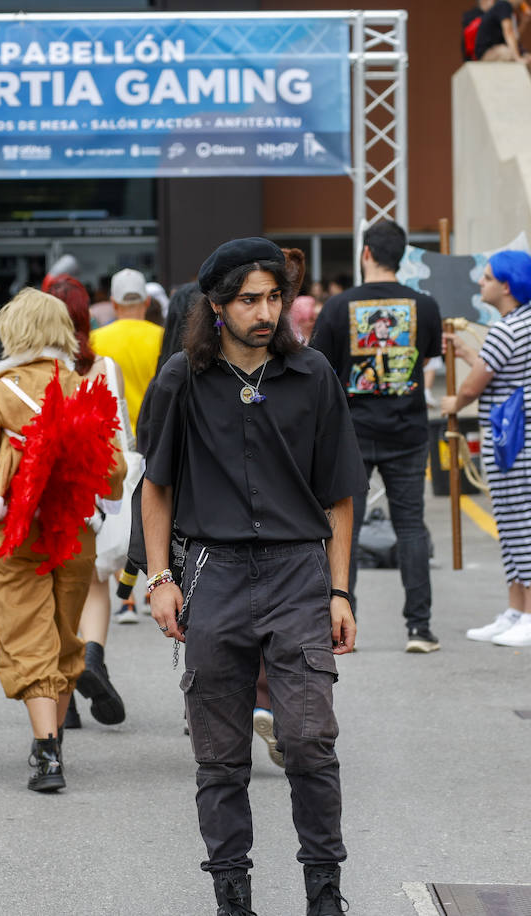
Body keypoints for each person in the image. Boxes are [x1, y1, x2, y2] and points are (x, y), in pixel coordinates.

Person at [140, 238, 362, 916]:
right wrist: (159, 578)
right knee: (220, 752)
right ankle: (231, 893)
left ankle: (324, 890)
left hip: (299, 571)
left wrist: (340, 589)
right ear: (217, 306)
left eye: (274, 298)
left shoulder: (314, 374)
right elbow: (156, 487)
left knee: (308, 736)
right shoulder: (183, 378)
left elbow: (341, 491)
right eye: (249, 300)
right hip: (214, 573)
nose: (265, 312)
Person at [0, 288, 125, 792]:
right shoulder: (82, 386)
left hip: (18, 528)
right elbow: (115, 467)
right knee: (62, 633)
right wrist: (107, 511)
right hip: (76, 529)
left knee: (26, 631)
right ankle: (53, 739)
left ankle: (46, 750)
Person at [312, 220, 443, 653]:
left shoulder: (337, 307)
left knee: (344, 527)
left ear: (365, 253)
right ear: (401, 256)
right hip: (408, 430)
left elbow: (321, 370)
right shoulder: (425, 305)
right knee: (410, 527)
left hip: (352, 432)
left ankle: (342, 622)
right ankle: (419, 628)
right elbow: (428, 357)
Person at [442, 251, 531, 648]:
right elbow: (496, 371)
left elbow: (475, 386)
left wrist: (453, 403)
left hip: (518, 440)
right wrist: (464, 353)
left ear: (506, 286)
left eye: (489, 277)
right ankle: (517, 610)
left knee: (522, 523)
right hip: (519, 438)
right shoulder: (521, 322)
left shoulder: (507, 329)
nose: (482, 282)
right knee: (511, 524)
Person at [47, 274, 132, 730]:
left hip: (51, 487)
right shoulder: (105, 366)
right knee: (96, 580)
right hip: (97, 484)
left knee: (57, 586)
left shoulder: (37, 367)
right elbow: (119, 430)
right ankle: (93, 658)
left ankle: (66, 692)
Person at [89, 268, 165, 622]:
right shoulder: (163, 337)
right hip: (158, 436)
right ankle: (156, 589)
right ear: (147, 302)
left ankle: (127, 599)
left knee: (119, 517)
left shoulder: (96, 340)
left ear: (113, 303)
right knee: (157, 513)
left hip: (113, 440)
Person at [476, 0, 531, 89]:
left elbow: (515, 38)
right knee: (509, 54)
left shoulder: (511, 12)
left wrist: (524, 22)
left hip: (502, 48)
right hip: (488, 52)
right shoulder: (504, 5)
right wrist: (517, 57)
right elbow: (508, 32)